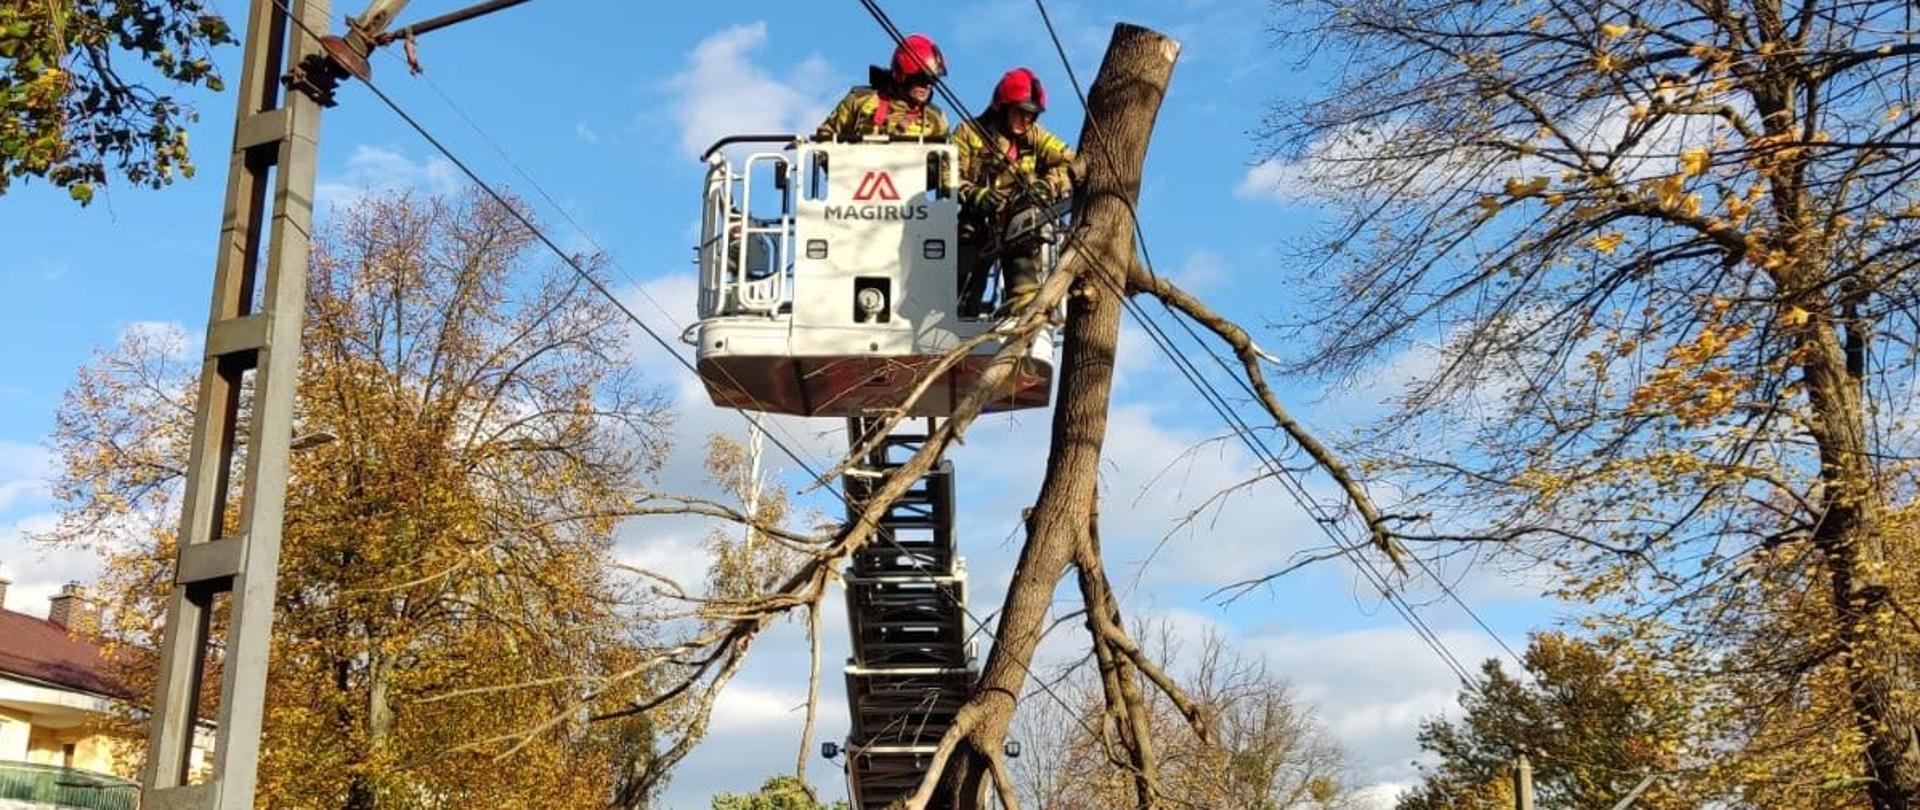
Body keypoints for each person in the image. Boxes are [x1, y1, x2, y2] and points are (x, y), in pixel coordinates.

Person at [954, 67, 1074, 318]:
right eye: (1021, 112)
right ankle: (963, 311)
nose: (1027, 120)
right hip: (977, 220)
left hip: (1017, 223)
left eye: (1032, 115)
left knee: (1026, 228)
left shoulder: (1036, 137)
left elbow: (1070, 162)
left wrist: (1046, 185)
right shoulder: (969, 134)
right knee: (963, 284)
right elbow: (947, 174)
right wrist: (973, 194)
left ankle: (1022, 302)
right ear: (1002, 107)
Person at [815, 33, 952, 139]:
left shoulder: (935, 117)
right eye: (921, 80)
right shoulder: (859, 100)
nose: (927, 86)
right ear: (901, 75)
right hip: (858, 174)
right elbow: (825, 136)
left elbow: (947, 168)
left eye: (933, 80)